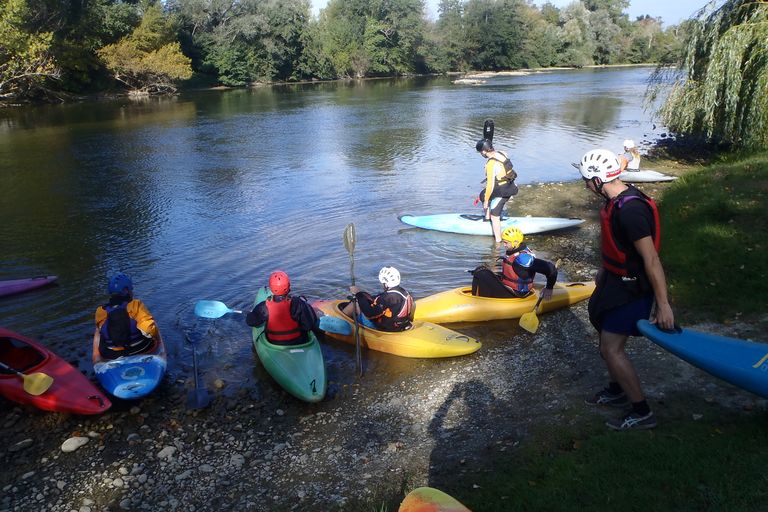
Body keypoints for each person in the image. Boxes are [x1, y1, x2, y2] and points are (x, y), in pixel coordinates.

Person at [578, 148, 675, 431]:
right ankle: (616, 388)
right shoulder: (616, 196)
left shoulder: (630, 210)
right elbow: (619, 246)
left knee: (611, 349)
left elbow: (651, 260)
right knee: (601, 327)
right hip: (615, 280)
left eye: (586, 180)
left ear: (598, 180)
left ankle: (642, 412)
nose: (584, 185)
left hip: (633, 288)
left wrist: (663, 304)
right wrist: (606, 268)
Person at [470, 226, 558, 299]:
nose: (503, 245)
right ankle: (477, 298)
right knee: (480, 270)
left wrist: (549, 288)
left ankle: (480, 302)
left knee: (482, 273)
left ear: (515, 242)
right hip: (508, 287)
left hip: (516, 294)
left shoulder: (524, 258)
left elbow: (551, 269)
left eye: (506, 242)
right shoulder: (513, 251)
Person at [92, 272, 159, 363]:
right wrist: (156, 336)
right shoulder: (136, 305)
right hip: (141, 349)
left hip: (112, 355)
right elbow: (148, 330)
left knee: (101, 333)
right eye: (131, 289)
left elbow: (101, 330)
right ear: (127, 290)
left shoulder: (100, 311)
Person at [245, 270, 320, 345]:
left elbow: (251, 322)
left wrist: (250, 314)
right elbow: (310, 323)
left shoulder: (264, 306)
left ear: (271, 288)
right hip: (298, 341)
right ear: (288, 286)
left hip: (274, 343)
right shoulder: (298, 303)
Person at [341, 266, 414, 332]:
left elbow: (370, 315)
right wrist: (362, 294)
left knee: (356, 303)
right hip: (402, 325)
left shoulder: (386, 298)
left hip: (387, 328)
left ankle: (340, 320)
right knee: (363, 298)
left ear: (385, 283)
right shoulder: (405, 292)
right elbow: (380, 300)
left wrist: (358, 294)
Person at [475, 138, 519, 243]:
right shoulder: (503, 153)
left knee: (495, 215)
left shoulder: (490, 165)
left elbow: (490, 185)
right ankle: (487, 218)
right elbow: (499, 155)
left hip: (504, 191)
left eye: (481, 152)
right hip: (510, 185)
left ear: (483, 151)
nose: (481, 154)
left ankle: (498, 241)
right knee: (482, 195)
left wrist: (486, 202)